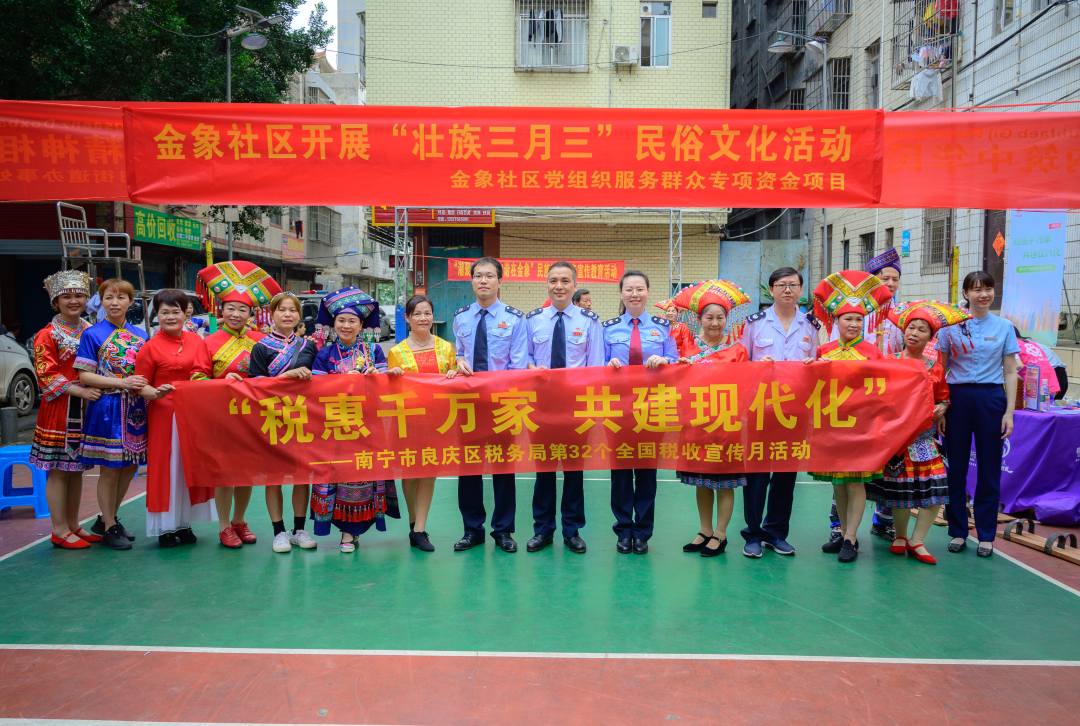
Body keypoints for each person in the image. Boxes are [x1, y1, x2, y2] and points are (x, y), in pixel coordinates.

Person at [866, 301, 970, 565]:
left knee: (938, 487)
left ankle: (917, 540)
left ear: (931, 338)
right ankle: (900, 537)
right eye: (911, 327)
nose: (914, 332)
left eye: (921, 329)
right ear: (903, 332)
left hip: (924, 439)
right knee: (900, 491)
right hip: (896, 439)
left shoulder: (934, 368)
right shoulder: (888, 362)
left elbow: (943, 397)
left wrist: (941, 408)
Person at [191, 261, 278, 549]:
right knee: (225, 473)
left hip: (253, 416)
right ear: (221, 310)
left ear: (252, 313)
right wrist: (222, 381)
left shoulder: (262, 340)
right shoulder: (209, 342)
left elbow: (273, 376)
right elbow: (197, 379)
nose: (236, 314)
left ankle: (240, 520)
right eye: (230, 308)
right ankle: (224, 525)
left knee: (247, 472)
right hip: (222, 417)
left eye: (243, 309)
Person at [808, 270, 893, 563]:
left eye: (859, 319)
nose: (854, 324)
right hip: (831, 427)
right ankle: (843, 532)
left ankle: (852, 538)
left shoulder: (873, 353)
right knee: (838, 484)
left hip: (861, 429)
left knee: (856, 483)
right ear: (836, 321)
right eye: (848, 319)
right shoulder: (824, 351)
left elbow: (883, 392)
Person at [310, 286, 400, 553]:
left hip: (368, 427)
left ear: (361, 325)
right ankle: (346, 533)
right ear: (333, 324)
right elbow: (317, 392)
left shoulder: (375, 352)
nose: (346, 326)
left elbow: (385, 389)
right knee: (338, 476)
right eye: (341, 320)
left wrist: (381, 376)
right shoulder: (324, 355)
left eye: (352, 321)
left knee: (363, 476)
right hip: (335, 427)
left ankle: (353, 532)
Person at [738, 266, 819, 559]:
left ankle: (776, 533)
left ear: (801, 290)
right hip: (761, 408)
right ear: (770, 290)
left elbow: (818, 364)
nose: (788, 289)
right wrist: (758, 367)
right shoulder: (755, 323)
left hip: (795, 410)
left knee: (786, 475)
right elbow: (741, 363)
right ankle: (753, 534)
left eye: (794, 285)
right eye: (781, 285)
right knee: (757, 474)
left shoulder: (810, 325)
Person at [524, 261, 603, 555]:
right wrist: (534, 367)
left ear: (573, 285)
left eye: (565, 281)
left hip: (576, 407)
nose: (559, 286)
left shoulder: (589, 321)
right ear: (547, 284)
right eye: (554, 280)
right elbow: (525, 359)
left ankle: (572, 530)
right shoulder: (532, 320)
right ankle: (542, 530)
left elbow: (595, 366)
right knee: (543, 470)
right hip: (541, 406)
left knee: (573, 471)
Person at [939, 271, 1019, 558]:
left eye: (988, 289)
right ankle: (958, 531)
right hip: (957, 400)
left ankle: (986, 535)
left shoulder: (1005, 326)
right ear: (965, 294)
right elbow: (940, 371)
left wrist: (1009, 412)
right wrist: (941, 407)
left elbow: (1010, 371)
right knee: (955, 469)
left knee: (989, 470)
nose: (983, 294)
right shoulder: (950, 327)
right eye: (976, 290)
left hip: (991, 398)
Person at [827, 247, 905, 543]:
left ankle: (883, 518)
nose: (890, 283)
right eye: (884, 277)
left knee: (888, 462)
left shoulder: (899, 314)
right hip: (848, 404)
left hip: (886, 400)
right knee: (844, 471)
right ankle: (840, 527)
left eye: (895, 279)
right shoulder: (851, 314)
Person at [452, 257, 528, 553]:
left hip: (501, 403)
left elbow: (518, 366)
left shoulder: (515, 318)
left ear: (499, 282)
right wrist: (458, 361)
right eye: (478, 276)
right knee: (469, 469)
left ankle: (503, 530)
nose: (483, 281)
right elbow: (460, 354)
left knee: (503, 469)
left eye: (489, 276)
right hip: (469, 403)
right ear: (472, 281)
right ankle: (472, 529)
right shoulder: (461, 317)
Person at [673, 280, 751, 557]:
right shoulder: (688, 351)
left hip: (727, 427)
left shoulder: (738, 351)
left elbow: (746, 389)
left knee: (725, 482)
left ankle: (720, 533)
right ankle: (704, 530)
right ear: (699, 319)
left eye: (720, 317)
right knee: (702, 481)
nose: (715, 323)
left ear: (727, 320)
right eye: (709, 317)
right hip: (695, 427)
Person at [133, 289, 216, 547]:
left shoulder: (198, 342)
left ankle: (184, 523)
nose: (170, 317)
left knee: (187, 467)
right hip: (163, 414)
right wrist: (155, 393)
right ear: (156, 315)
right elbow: (140, 385)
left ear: (186, 312)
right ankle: (164, 528)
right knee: (166, 469)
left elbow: (204, 374)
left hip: (192, 415)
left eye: (175, 311)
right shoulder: (149, 347)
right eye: (164, 312)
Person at [603, 270, 677, 555]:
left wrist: (665, 360)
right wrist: (607, 363)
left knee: (646, 473)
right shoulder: (608, 328)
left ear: (648, 292)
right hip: (618, 409)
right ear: (621, 293)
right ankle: (623, 530)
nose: (635, 294)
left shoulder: (663, 327)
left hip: (652, 408)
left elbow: (674, 361)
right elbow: (596, 363)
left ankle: (643, 532)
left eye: (640, 289)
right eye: (629, 289)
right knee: (621, 473)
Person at [29, 271, 102, 550]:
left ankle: (73, 524)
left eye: (79, 295)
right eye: (66, 296)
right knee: (59, 470)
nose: (74, 300)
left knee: (77, 469)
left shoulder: (90, 330)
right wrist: (80, 390)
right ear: (55, 301)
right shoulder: (46, 335)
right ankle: (58, 529)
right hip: (60, 408)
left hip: (85, 408)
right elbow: (45, 374)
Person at [75, 278, 150, 551]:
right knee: (110, 469)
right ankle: (108, 526)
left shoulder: (142, 335)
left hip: (137, 409)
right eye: (108, 297)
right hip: (107, 408)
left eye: (121, 297)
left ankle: (108, 519)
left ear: (131, 302)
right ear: (101, 302)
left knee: (130, 466)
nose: (114, 302)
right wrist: (122, 383)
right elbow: (84, 375)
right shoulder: (92, 334)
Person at [387, 294, 459, 553]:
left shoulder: (446, 348)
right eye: (416, 313)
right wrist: (391, 377)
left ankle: (420, 529)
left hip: (438, 420)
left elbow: (457, 384)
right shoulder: (396, 352)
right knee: (409, 473)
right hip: (407, 421)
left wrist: (454, 374)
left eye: (427, 313)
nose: (423, 318)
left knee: (429, 473)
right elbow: (389, 392)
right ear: (407, 318)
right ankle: (413, 520)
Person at [248, 291, 319, 553]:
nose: (287, 314)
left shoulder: (309, 346)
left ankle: (299, 529)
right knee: (273, 477)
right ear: (272, 314)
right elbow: (254, 386)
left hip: (302, 417)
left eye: (292, 310)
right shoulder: (262, 347)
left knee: (303, 476)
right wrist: (285, 375)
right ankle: (278, 532)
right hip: (271, 419)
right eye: (282, 310)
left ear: (299, 316)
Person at [1013, 327, 1067, 400]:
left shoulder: (1014, 345)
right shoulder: (1031, 343)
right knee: (1047, 408)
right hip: (1053, 378)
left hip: (1041, 379)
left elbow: (1019, 365)